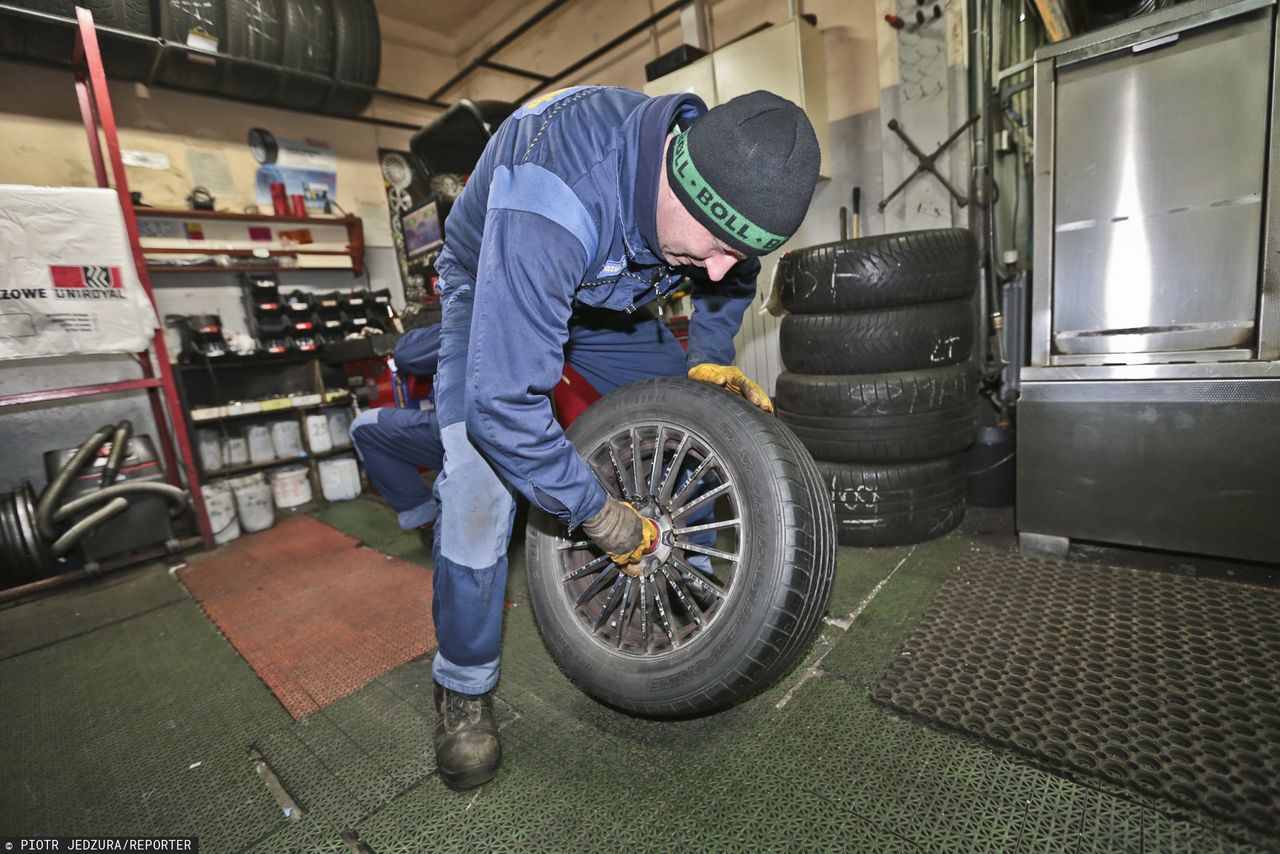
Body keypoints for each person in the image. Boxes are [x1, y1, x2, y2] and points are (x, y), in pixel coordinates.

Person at [352, 86, 820, 790]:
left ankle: (686, 581)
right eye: (717, 246)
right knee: (479, 493)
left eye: (740, 249)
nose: (722, 267)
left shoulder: (720, 180)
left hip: (614, 290)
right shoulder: (553, 199)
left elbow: (734, 275)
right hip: (493, 277)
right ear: (677, 185)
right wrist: (603, 519)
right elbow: (503, 407)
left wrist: (709, 355)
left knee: (690, 417)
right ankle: (463, 686)